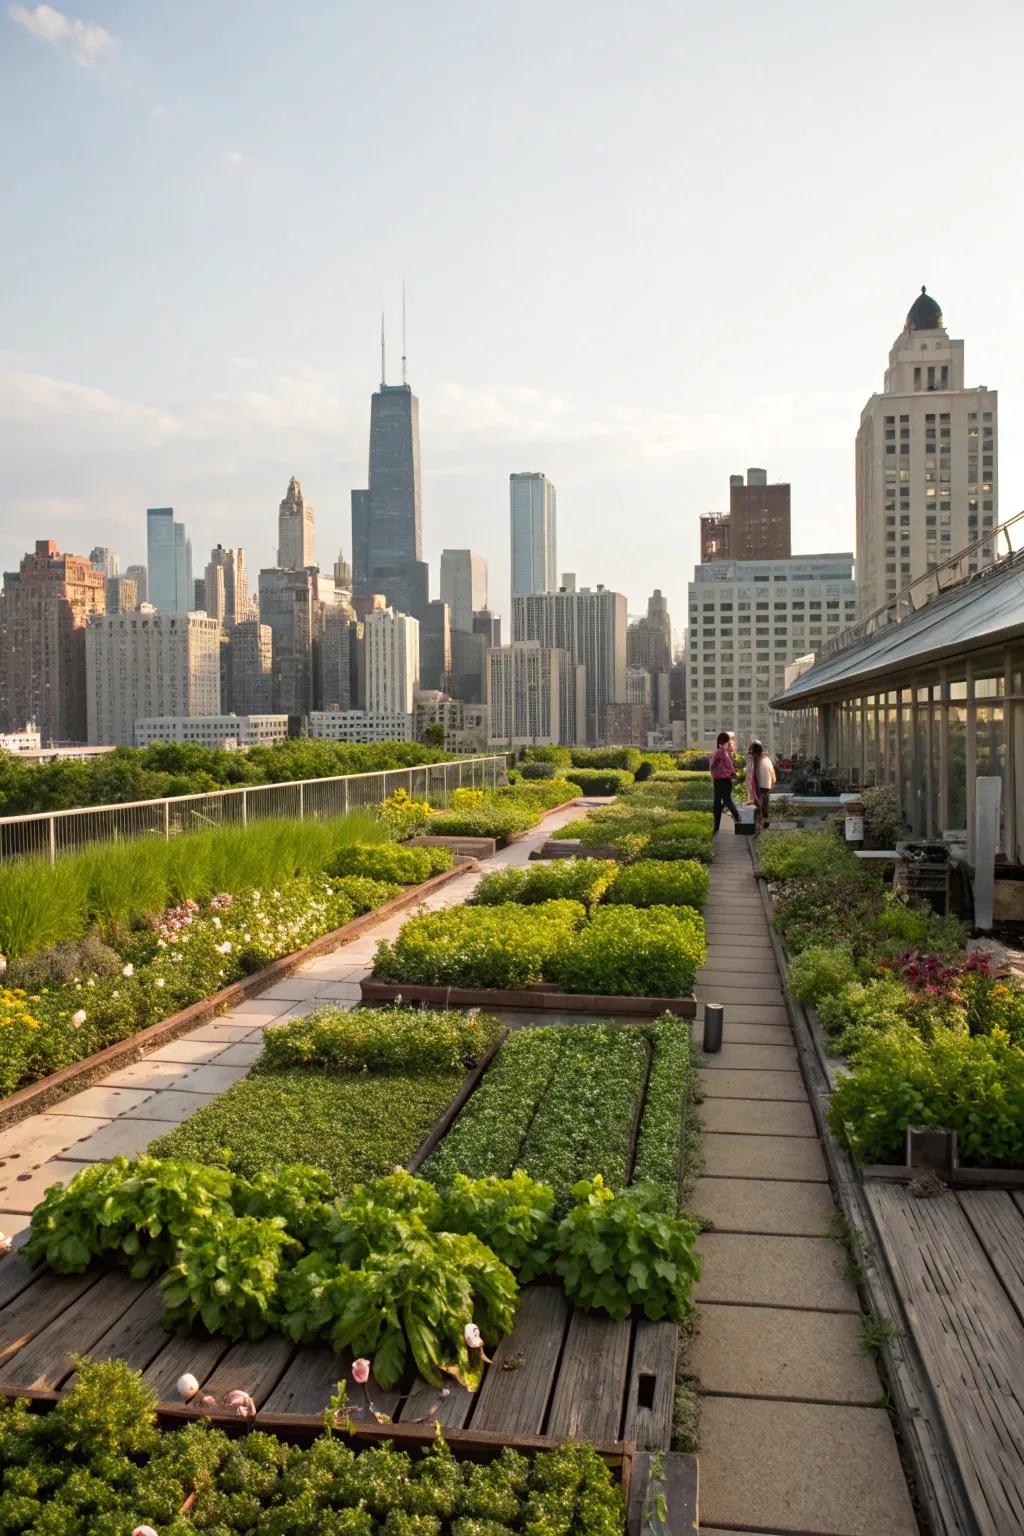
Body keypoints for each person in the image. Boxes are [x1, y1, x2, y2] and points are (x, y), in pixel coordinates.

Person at [709, 730, 741, 833]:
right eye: (728, 742)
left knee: (720, 803)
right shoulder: (724, 752)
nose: (729, 744)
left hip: (720, 781)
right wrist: (733, 774)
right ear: (725, 742)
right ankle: (737, 820)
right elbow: (729, 767)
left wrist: (713, 774)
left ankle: (718, 826)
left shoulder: (719, 752)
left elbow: (712, 765)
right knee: (725, 801)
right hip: (725, 781)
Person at [746, 740, 777, 830]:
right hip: (765, 786)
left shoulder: (753, 760)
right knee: (763, 806)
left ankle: (759, 824)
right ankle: (763, 823)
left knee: (759, 806)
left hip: (759, 786)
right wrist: (773, 781)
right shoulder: (766, 759)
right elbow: (773, 774)